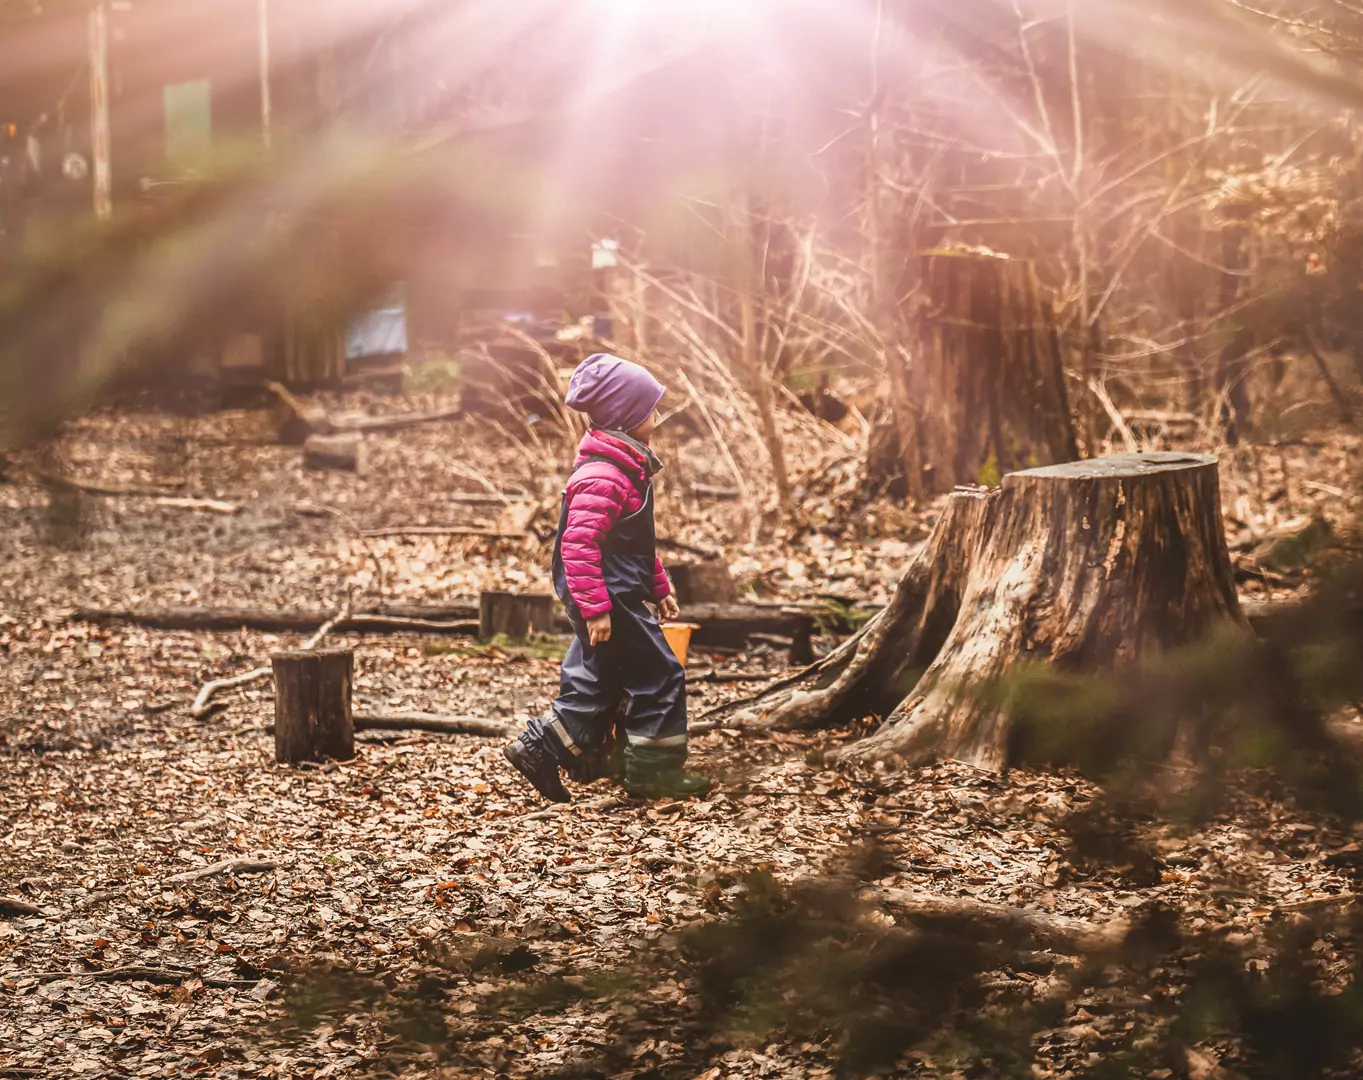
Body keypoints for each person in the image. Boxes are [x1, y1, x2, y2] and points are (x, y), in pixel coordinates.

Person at [503, 352, 711, 802]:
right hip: (607, 599)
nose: (656, 416)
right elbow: (577, 547)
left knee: (598, 681)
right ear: (626, 417)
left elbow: (633, 545)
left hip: (612, 594)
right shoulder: (605, 477)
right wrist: (596, 610)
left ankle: (543, 745)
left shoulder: (624, 470)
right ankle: (655, 773)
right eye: (648, 409)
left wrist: (659, 587)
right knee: (660, 675)